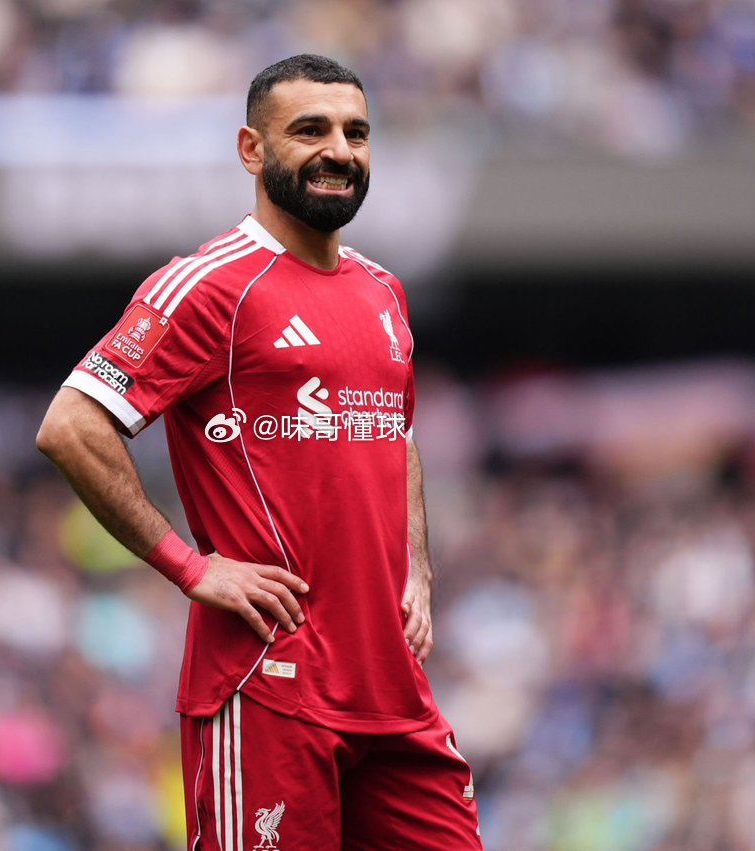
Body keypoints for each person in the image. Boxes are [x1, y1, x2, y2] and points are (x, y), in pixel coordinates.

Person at [37, 54, 482, 850]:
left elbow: (396, 429)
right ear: (252, 149)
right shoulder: (207, 285)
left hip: (393, 689)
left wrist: (416, 565)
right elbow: (71, 425)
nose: (338, 150)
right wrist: (190, 566)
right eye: (309, 130)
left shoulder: (383, 290)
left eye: (355, 133)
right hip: (270, 686)